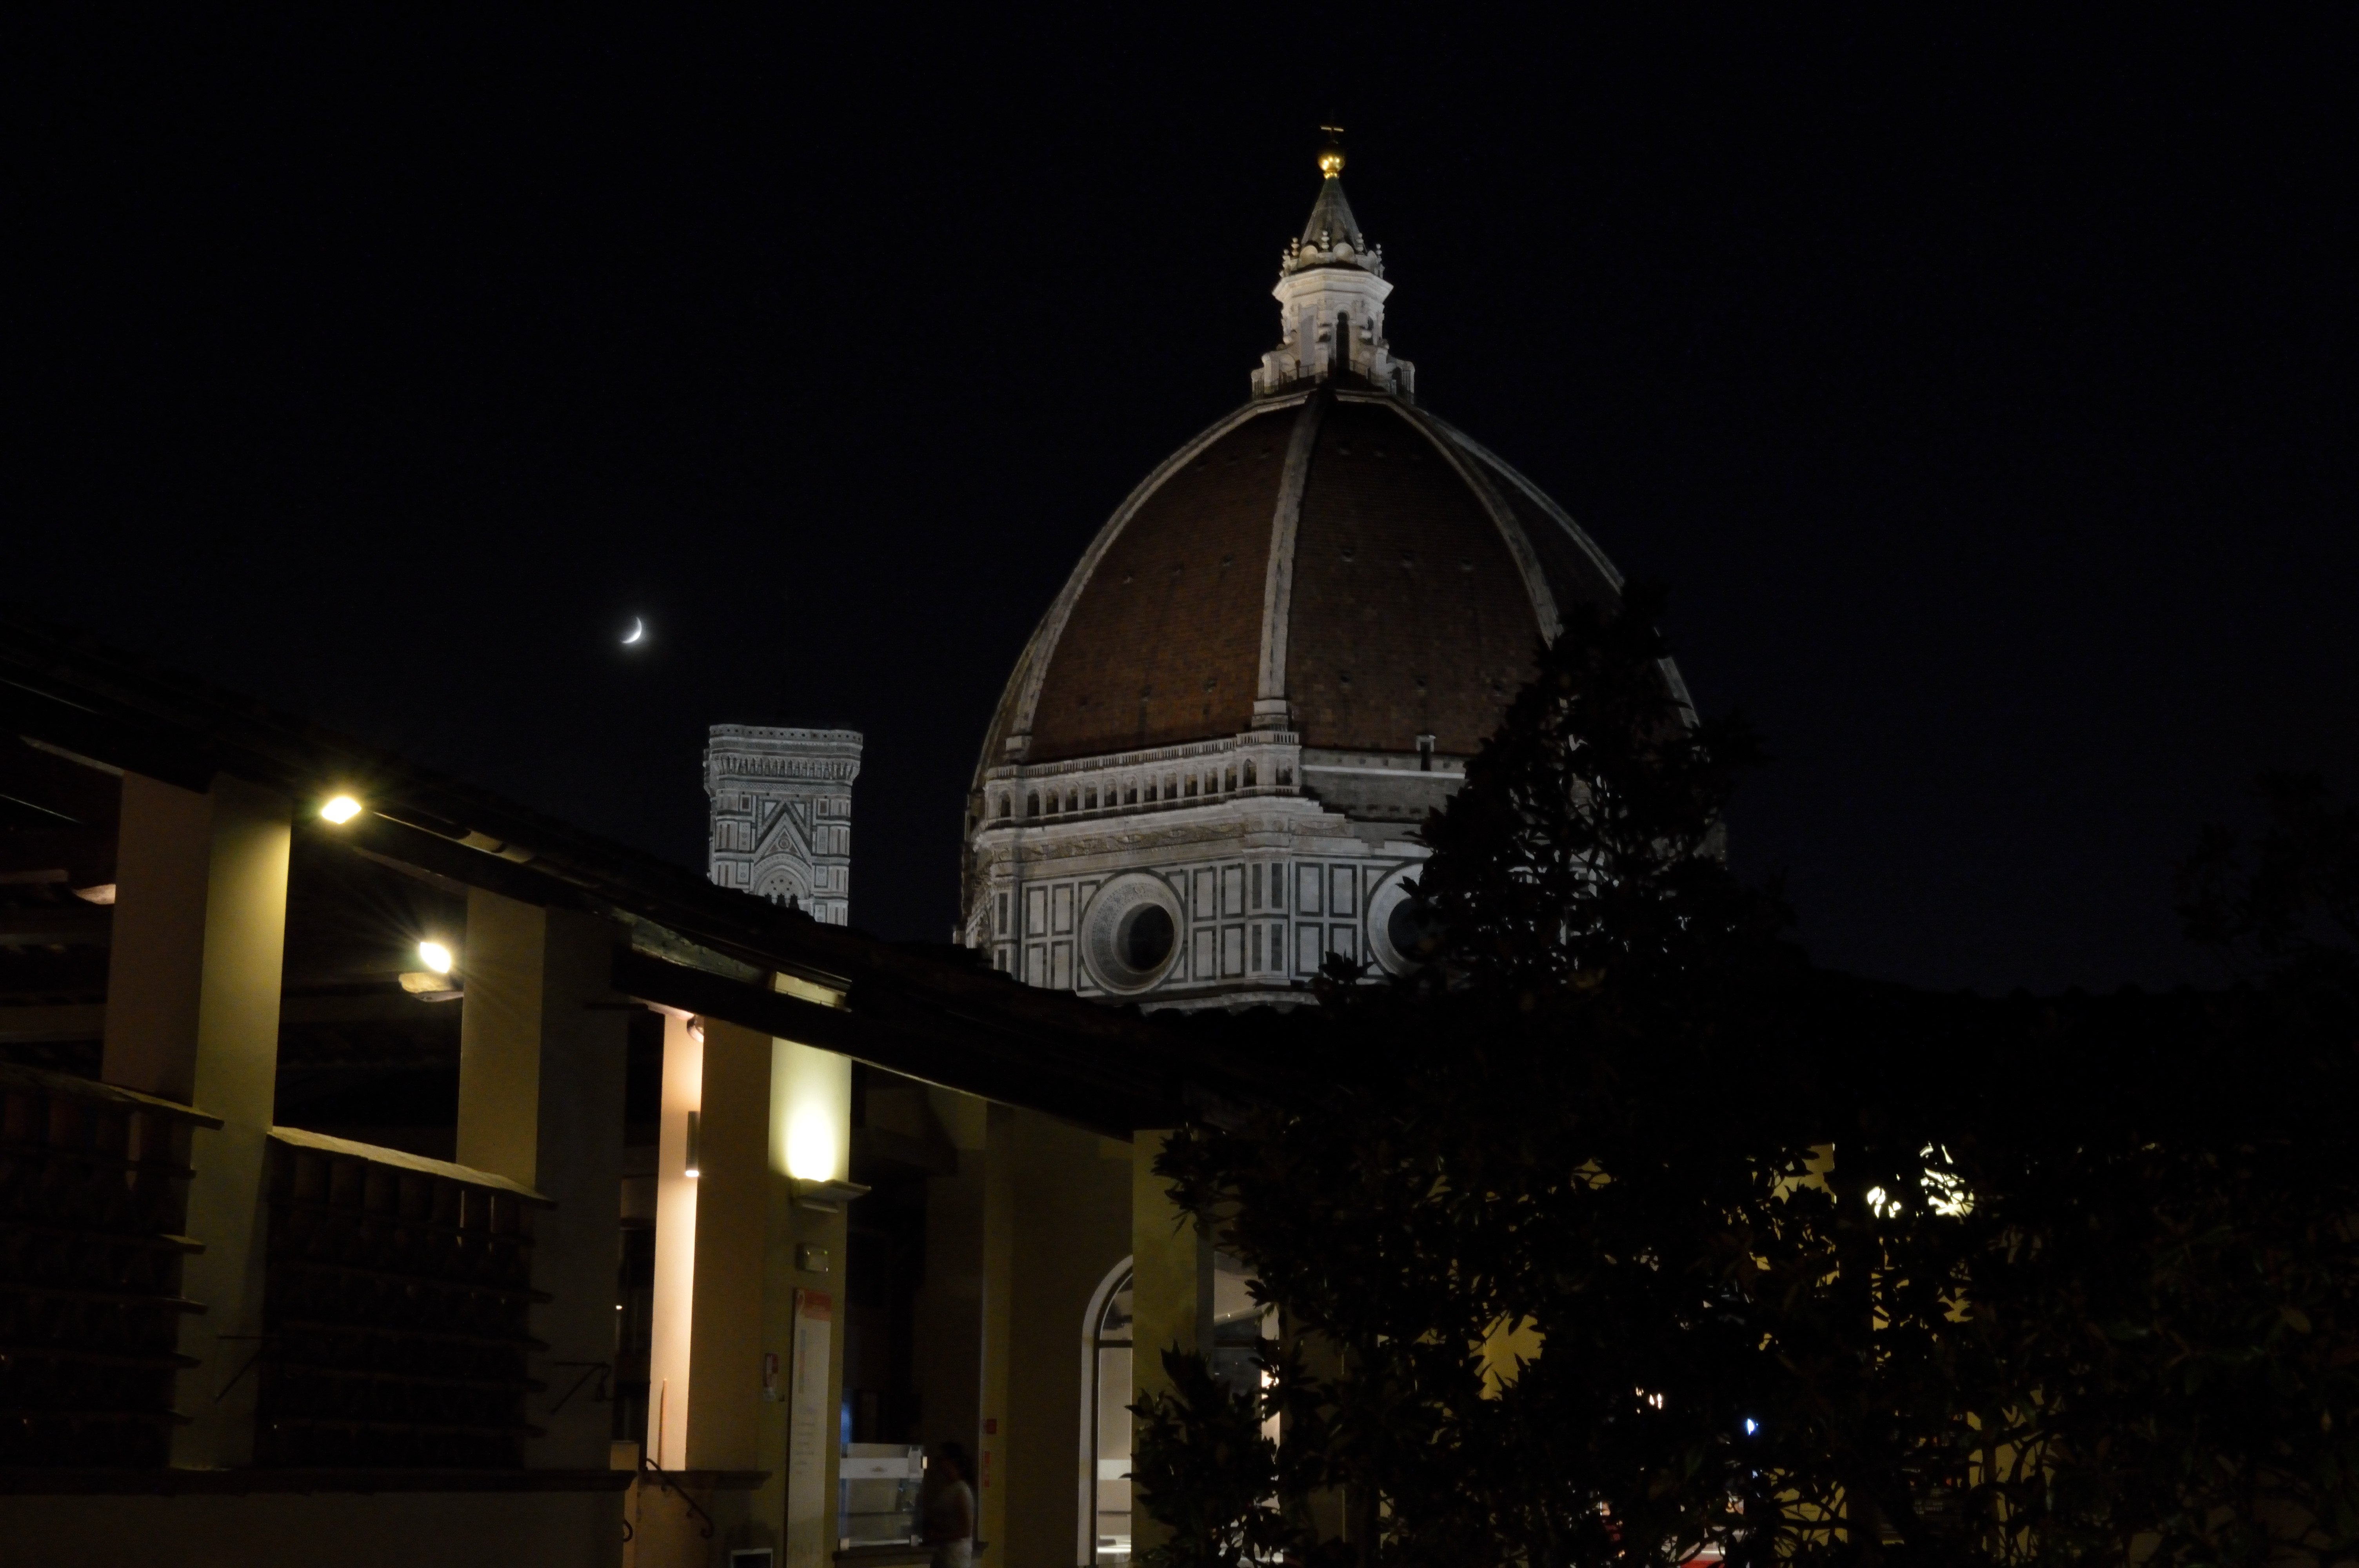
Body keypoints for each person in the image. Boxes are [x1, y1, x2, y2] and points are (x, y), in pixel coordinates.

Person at [922, 1440, 975, 1568]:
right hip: (943, 1554)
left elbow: (966, 1530)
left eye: (942, 1459)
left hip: (955, 1556)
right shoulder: (947, 1488)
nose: (939, 1464)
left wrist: (939, 1537)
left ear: (952, 1461)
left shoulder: (961, 1490)